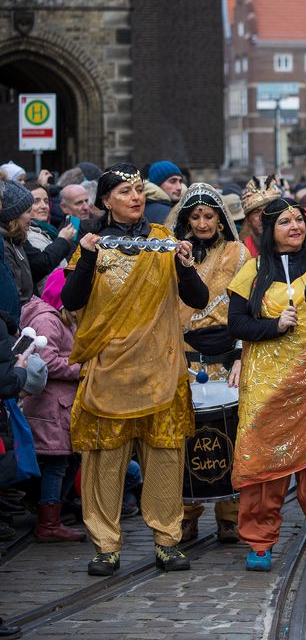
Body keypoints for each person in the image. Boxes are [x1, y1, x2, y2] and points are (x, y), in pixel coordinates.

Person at [61, 163, 209, 576]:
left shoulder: (164, 241)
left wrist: (183, 265)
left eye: (139, 190)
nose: (135, 197)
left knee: (164, 457)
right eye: (124, 192)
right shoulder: (92, 244)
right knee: (105, 461)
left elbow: (197, 299)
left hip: (160, 367)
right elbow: (73, 300)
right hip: (110, 370)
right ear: (105, 200)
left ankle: (167, 540)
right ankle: (105, 545)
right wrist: (88, 257)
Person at [227, 198, 306, 573]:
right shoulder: (252, 271)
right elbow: (236, 325)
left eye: (299, 220)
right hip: (268, 387)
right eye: (285, 222)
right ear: (269, 230)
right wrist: (273, 326)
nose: (295, 227)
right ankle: (260, 541)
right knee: (264, 465)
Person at [172, 183, 248, 544]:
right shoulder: (176, 255)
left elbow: (248, 304)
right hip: (185, 355)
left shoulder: (238, 253)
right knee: (188, 437)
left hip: (227, 352)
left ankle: (230, 516)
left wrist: (241, 352)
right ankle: (186, 515)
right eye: (196, 216)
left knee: (230, 435)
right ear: (187, 220)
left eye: (209, 216)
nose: (202, 223)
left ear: (220, 219)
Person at [20, 270, 86, 543]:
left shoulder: (58, 317)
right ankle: (49, 522)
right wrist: (82, 369)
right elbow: (46, 362)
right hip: (52, 407)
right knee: (58, 463)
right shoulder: (50, 320)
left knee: (67, 460)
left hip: (59, 405)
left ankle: (52, 510)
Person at [1, 180, 76, 304]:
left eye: (46, 201)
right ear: (15, 214)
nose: (43, 206)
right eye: (36, 202)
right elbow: (40, 265)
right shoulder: (16, 239)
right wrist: (62, 240)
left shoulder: (19, 237)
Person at [239, 176, 282, 257]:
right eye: (256, 212)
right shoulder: (240, 253)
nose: (263, 216)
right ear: (248, 220)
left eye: (268, 209)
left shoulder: (290, 246)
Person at [143, 160, 185, 225]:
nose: (179, 187)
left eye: (180, 181)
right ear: (157, 184)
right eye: (172, 181)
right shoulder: (161, 212)